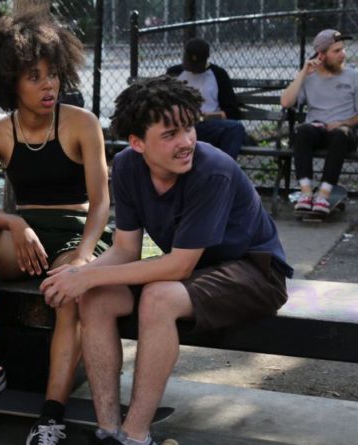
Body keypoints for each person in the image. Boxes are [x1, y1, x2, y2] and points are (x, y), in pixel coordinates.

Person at [40, 76, 293, 445]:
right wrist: (80, 274)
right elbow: (126, 248)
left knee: (159, 296)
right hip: (195, 273)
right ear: (138, 143)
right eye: (170, 134)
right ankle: (108, 429)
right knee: (96, 298)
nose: (186, 141)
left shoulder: (213, 170)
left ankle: (135, 435)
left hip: (254, 271)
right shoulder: (127, 167)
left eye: (189, 128)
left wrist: (87, 276)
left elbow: (179, 267)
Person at [0, 12, 112, 445]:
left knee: (71, 287)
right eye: (33, 76)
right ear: (10, 82)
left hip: (75, 229)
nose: (48, 85)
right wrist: (16, 222)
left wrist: (83, 257)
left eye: (52, 74)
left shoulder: (83, 122)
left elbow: (101, 204)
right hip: (24, 235)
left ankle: (51, 415)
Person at [280, 29, 358, 215]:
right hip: (317, 130)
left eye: (342, 49)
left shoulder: (353, 76)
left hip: (344, 133)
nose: (342, 55)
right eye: (336, 51)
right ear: (321, 55)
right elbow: (286, 102)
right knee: (303, 131)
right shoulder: (309, 78)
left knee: (340, 135)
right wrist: (303, 72)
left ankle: (323, 194)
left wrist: (343, 123)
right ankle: (306, 193)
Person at [166, 37, 245, 160]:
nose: (192, 69)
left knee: (235, 128)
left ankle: (224, 171)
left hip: (206, 124)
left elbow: (232, 111)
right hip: (179, 124)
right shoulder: (174, 72)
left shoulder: (218, 74)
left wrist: (204, 116)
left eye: (196, 66)